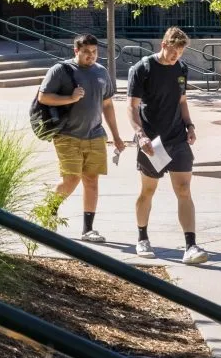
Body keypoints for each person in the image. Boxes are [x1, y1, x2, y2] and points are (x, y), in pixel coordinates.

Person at [34, 32, 127, 243]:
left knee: (92, 181)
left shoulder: (102, 72)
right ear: (76, 50)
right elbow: (43, 97)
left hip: (95, 134)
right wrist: (70, 98)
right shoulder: (61, 70)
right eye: (86, 52)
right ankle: (48, 212)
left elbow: (108, 105)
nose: (91, 56)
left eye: (94, 52)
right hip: (67, 135)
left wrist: (116, 136)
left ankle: (88, 230)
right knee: (71, 179)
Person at [127, 26, 206, 265]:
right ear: (164, 45)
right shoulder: (143, 69)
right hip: (152, 142)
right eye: (173, 52)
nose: (176, 57)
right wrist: (140, 136)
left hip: (177, 138)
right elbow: (131, 107)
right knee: (148, 190)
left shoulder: (181, 69)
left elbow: (182, 101)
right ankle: (142, 238)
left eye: (180, 52)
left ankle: (190, 246)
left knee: (183, 189)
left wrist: (190, 126)